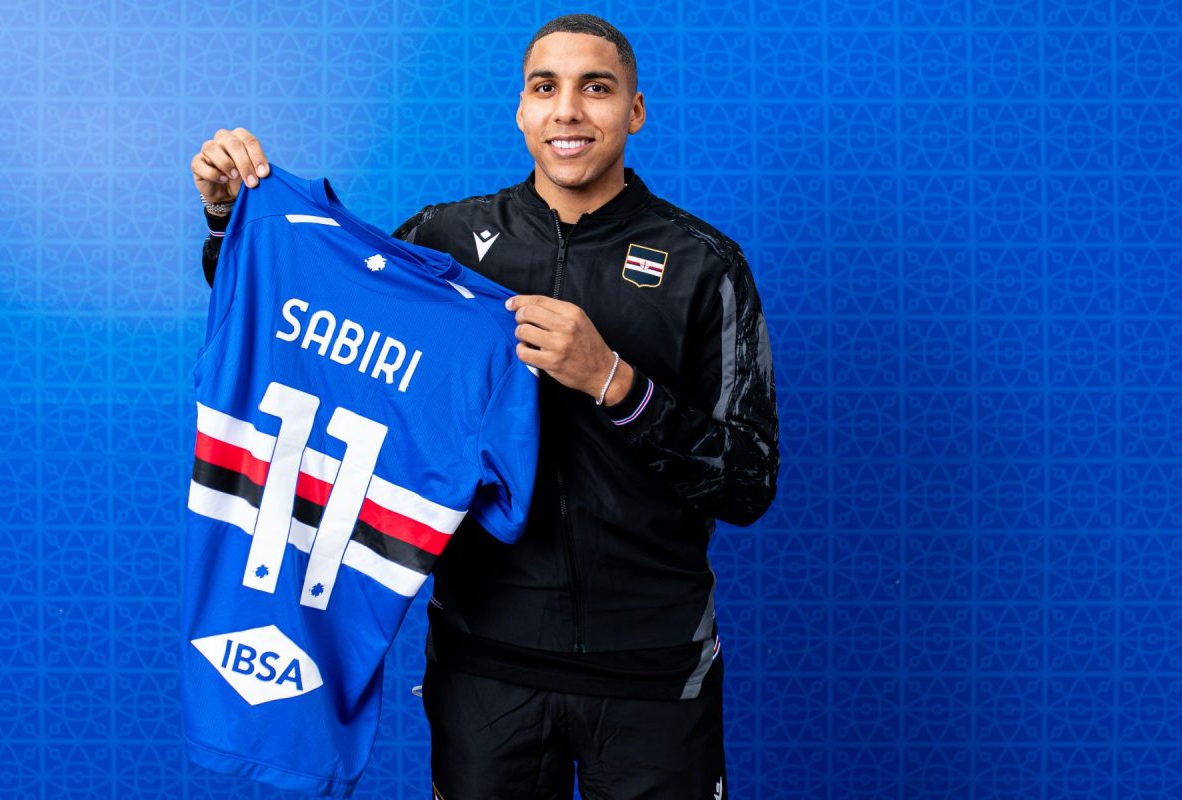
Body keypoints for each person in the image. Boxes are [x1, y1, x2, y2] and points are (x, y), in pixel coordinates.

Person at [189, 13, 778, 800]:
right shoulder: (445, 241)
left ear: (634, 110)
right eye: (546, 87)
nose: (568, 110)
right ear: (521, 110)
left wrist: (614, 381)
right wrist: (231, 221)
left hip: (654, 672)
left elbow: (748, 482)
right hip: (484, 669)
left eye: (596, 88)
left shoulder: (706, 266)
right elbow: (303, 321)